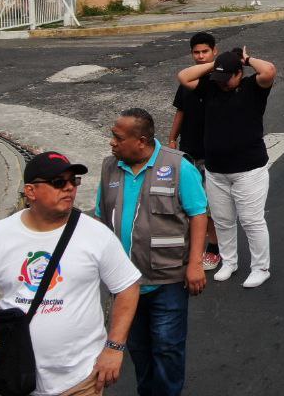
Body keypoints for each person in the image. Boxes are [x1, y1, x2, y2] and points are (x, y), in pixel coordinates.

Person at [0, 152, 140, 396]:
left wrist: (114, 348)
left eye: (73, 181)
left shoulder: (96, 235)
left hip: (81, 379)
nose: (69, 188)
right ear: (30, 191)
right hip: (18, 379)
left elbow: (127, 287)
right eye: (59, 182)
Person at [96, 108, 208, 396]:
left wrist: (195, 263)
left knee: (168, 348)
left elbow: (198, 214)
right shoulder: (110, 167)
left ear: (141, 141)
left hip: (167, 280)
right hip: (125, 284)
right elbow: (100, 216)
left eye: (118, 137)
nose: (112, 142)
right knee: (139, 350)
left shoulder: (179, 167)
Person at [177, 48, 276, 287]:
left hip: (249, 169)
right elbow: (184, 76)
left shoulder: (254, 87)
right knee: (222, 221)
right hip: (216, 170)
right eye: (218, 79)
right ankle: (229, 262)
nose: (221, 83)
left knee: (252, 221)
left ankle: (261, 267)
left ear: (239, 73)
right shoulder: (211, 87)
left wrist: (247, 59)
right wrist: (215, 66)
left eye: (227, 77)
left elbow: (270, 70)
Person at [167, 32, 222, 272]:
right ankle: (196, 245)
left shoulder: (222, 78)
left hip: (212, 152)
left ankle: (214, 247)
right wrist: (171, 138)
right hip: (188, 151)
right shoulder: (188, 81)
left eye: (205, 52)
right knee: (190, 202)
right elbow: (181, 111)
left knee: (209, 205)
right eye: (196, 53)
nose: (200, 56)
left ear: (214, 52)